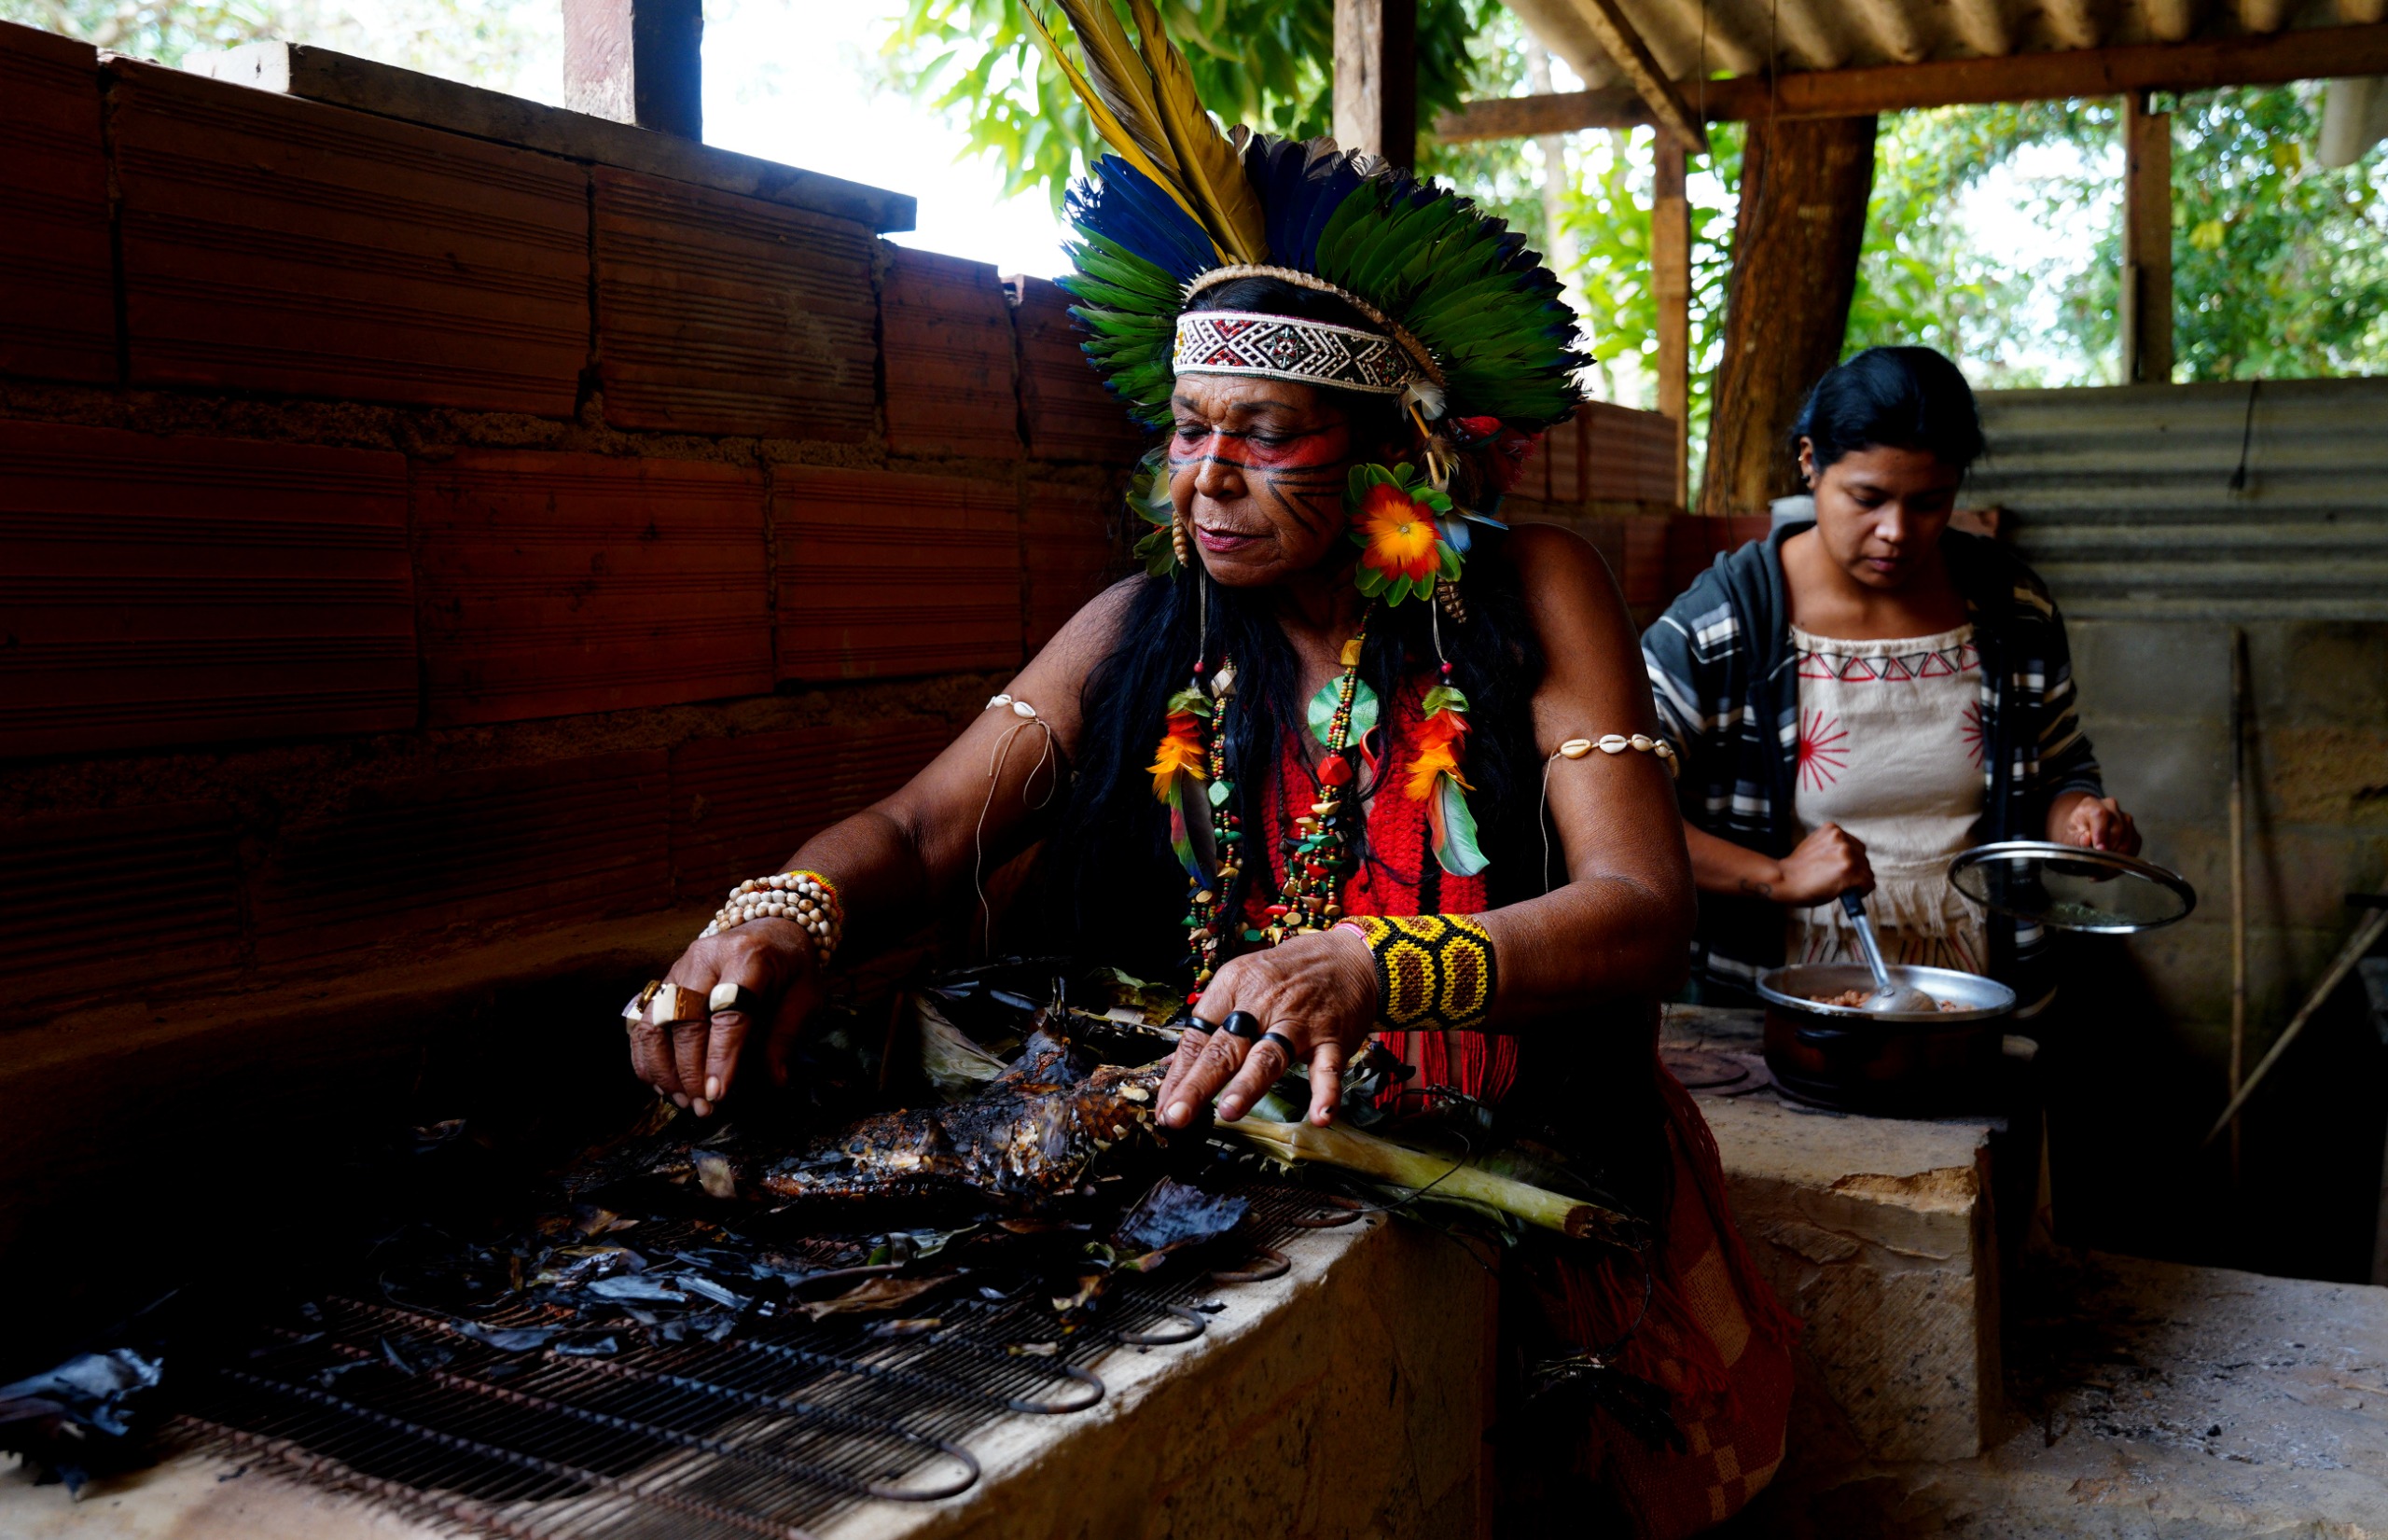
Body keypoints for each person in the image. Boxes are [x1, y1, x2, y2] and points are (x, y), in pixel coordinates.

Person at [617, 13, 1793, 1533]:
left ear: (1392, 459)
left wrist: (1380, 965)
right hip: (1220, 1137)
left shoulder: (1527, 596)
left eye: (1265, 434)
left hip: (1507, 1137)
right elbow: (919, 827)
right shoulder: (1137, 630)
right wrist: (781, 910)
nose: (1206, 477)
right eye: (1187, 430)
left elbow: (1644, 908)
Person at [1643, 347, 2139, 1006]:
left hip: (1980, 999)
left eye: (1931, 502)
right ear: (1809, 461)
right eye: (1867, 498)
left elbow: (2059, 766)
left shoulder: (2013, 612)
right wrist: (1777, 876)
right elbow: (1621, 806)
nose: (1897, 531)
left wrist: (2081, 823)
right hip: (1776, 1011)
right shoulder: (1723, 626)